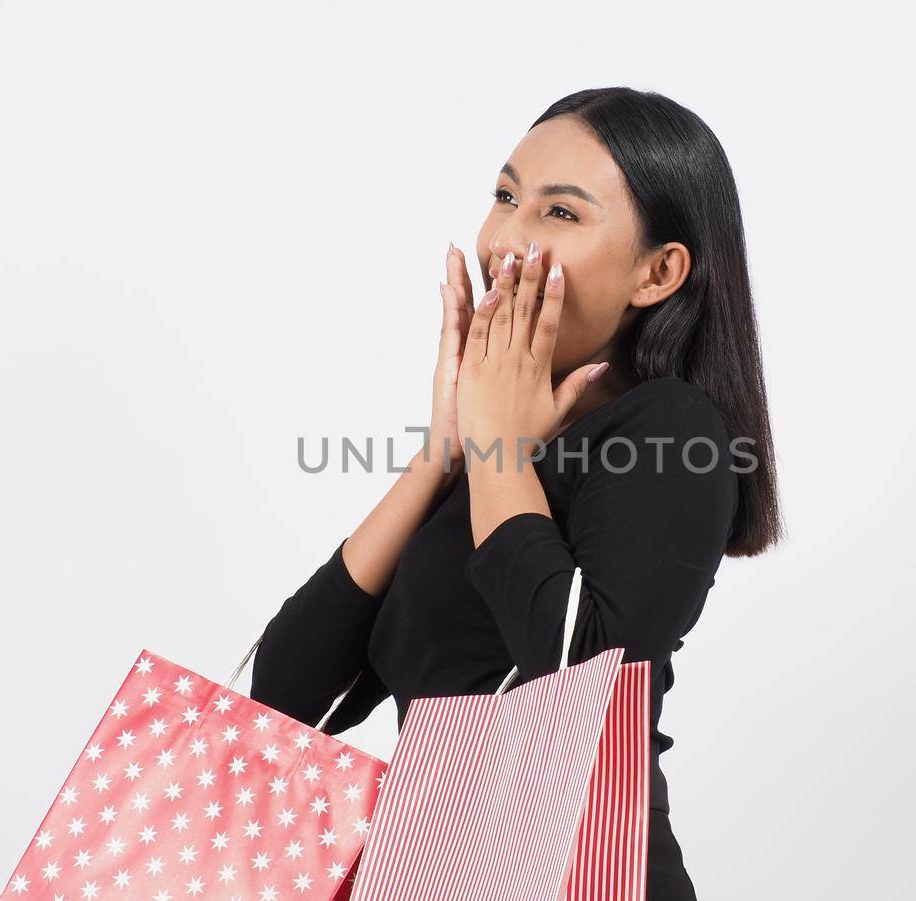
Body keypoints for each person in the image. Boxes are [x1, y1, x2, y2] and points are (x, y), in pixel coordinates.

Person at [249, 86, 781, 900]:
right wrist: (447, 449)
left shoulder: (676, 430)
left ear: (659, 271)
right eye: (505, 196)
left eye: (560, 214)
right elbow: (284, 698)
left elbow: (579, 682)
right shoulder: (504, 456)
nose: (506, 240)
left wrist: (499, 445)